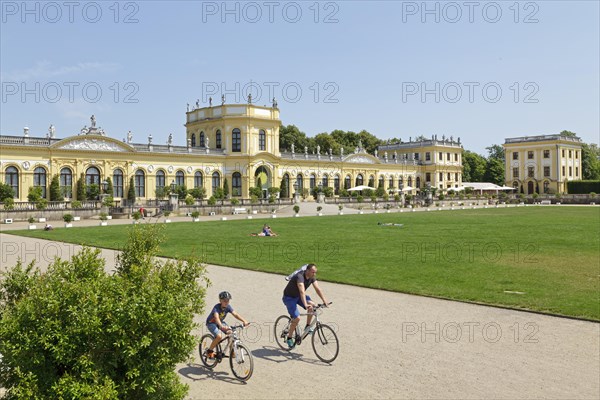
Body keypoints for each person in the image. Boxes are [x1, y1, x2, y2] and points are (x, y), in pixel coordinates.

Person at [282, 263, 329, 349]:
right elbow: (302, 291)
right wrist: (305, 304)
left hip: (298, 296)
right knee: (297, 318)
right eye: (312, 272)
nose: (314, 274)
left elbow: (317, 289)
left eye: (315, 272)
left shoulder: (312, 277)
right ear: (307, 270)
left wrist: (324, 300)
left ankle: (307, 326)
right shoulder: (300, 276)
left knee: (313, 305)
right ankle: (289, 338)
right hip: (289, 298)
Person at [205, 291, 249, 359]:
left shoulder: (228, 307)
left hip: (220, 322)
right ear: (220, 301)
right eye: (224, 300)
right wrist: (221, 326)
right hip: (211, 323)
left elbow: (235, 314)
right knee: (219, 336)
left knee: (231, 333)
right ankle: (209, 351)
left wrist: (244, 321)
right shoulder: (216, 307)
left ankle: (232, 352)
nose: (226, 302)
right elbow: (216, 318)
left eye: (228, 300)